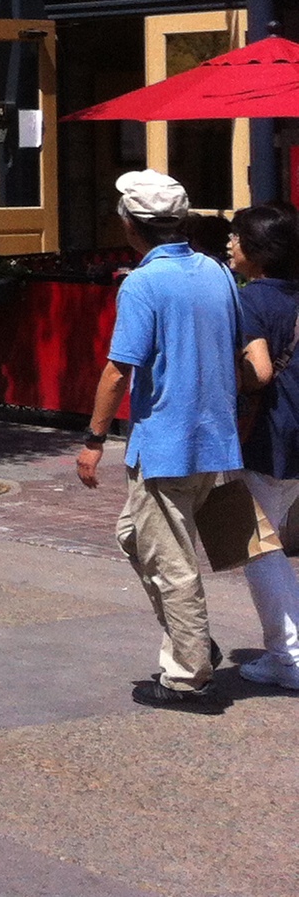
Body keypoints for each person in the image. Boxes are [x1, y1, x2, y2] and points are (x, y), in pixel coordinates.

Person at [77, 171, 244, 705]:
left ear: (130, 224)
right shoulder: (216, 271)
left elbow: (118, 369)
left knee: (170, 561)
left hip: (167, 441)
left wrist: (93, 438)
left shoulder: (143, 284)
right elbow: (240, 349)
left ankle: (188, 671)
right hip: (212, 437)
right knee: (137, 537)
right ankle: (189, 637)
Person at [229, 201, 299, 689]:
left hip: (268, 434)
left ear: (256, 250)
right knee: (269, 540)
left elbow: (258, 374)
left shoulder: (251, 299)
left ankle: (288, 656)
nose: (229, 245)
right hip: (294, 432)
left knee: (257, 545)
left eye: (236, 237)